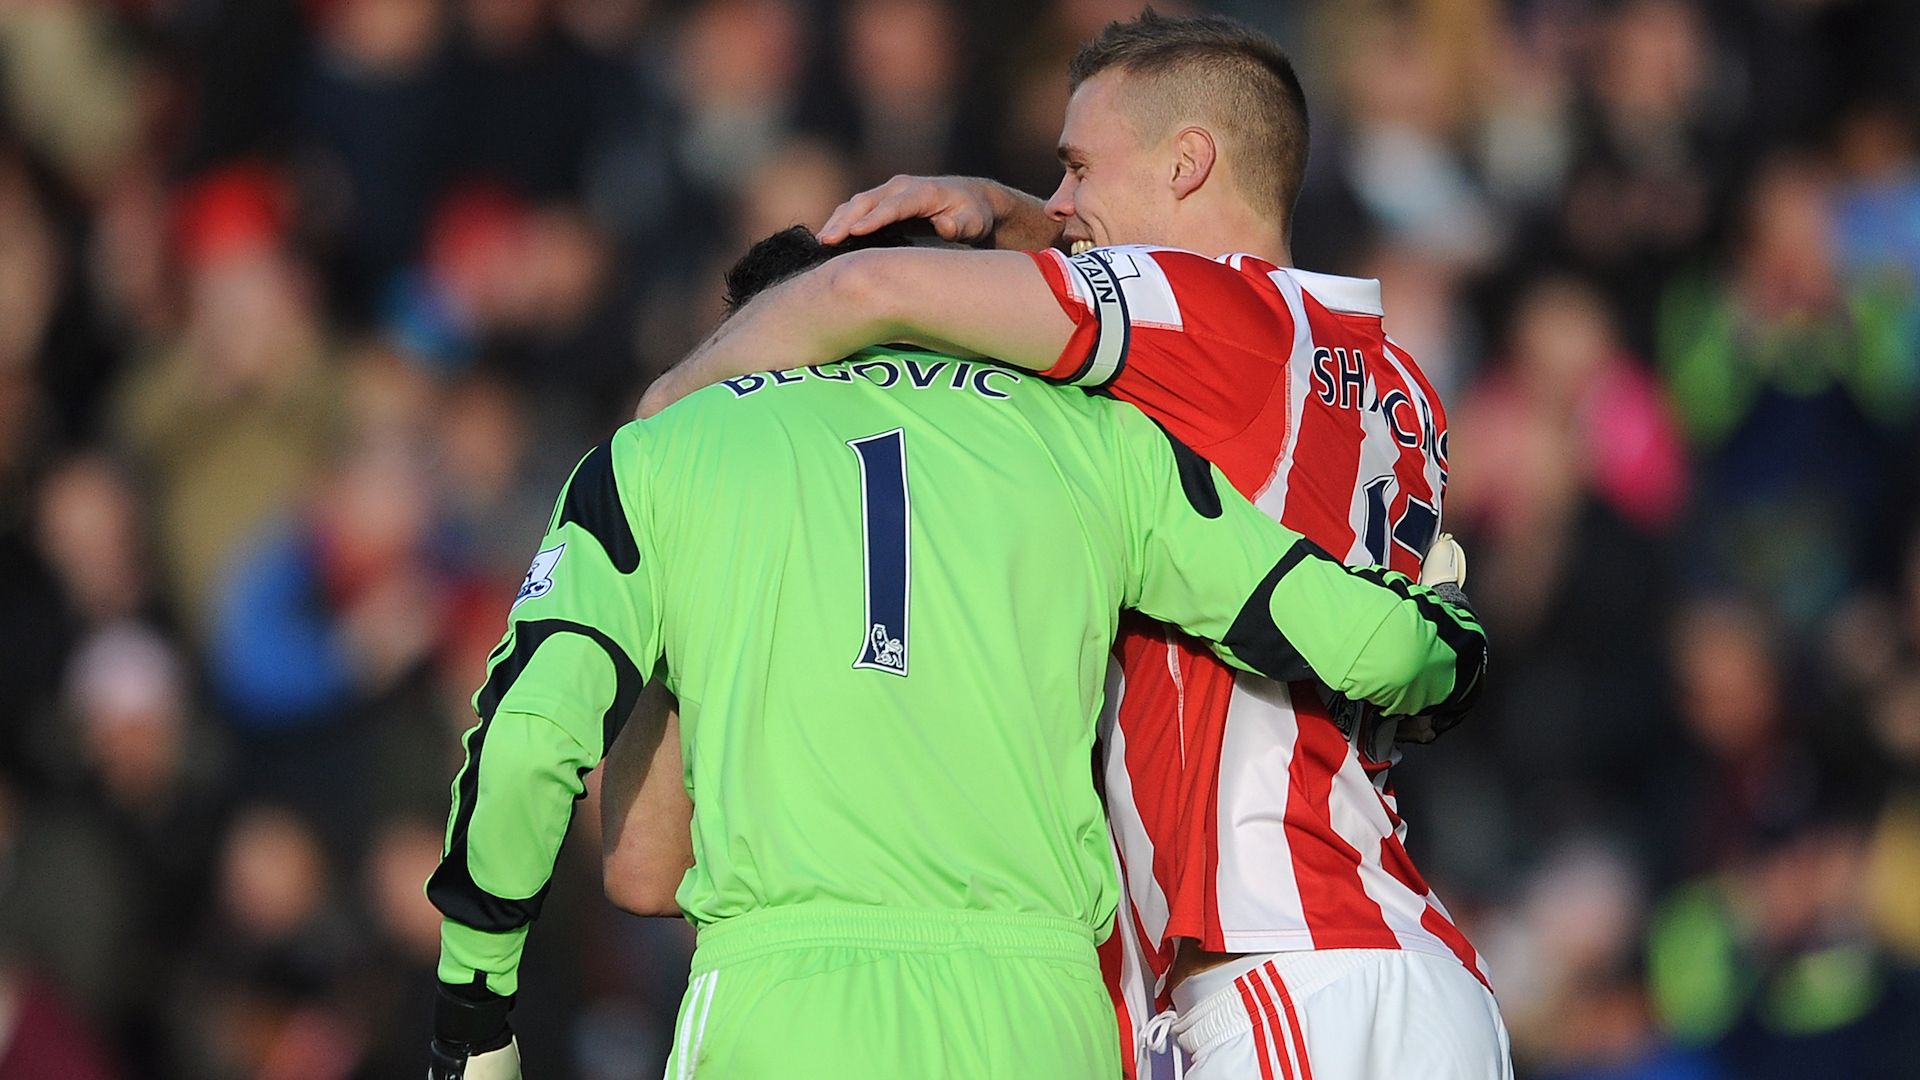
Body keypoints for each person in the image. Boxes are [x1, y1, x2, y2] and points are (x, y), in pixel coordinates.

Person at [632, 11, 1512, 1079]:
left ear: (1189, 162)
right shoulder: (1394, 385)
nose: (1059, 205)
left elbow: (866, 289)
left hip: (1277, 958)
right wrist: (1018, 222)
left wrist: (661, 424)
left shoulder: (1216, 322)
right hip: (1403, 957)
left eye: (1078, 168)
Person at [424, 224, 1486, 1079]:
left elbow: (528, 745)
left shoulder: (662, 456)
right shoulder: (1092, 440)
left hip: (787, 1007)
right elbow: (1358, 638)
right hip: (1040, 1016)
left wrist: (476, 1011)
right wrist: (1449, 644)